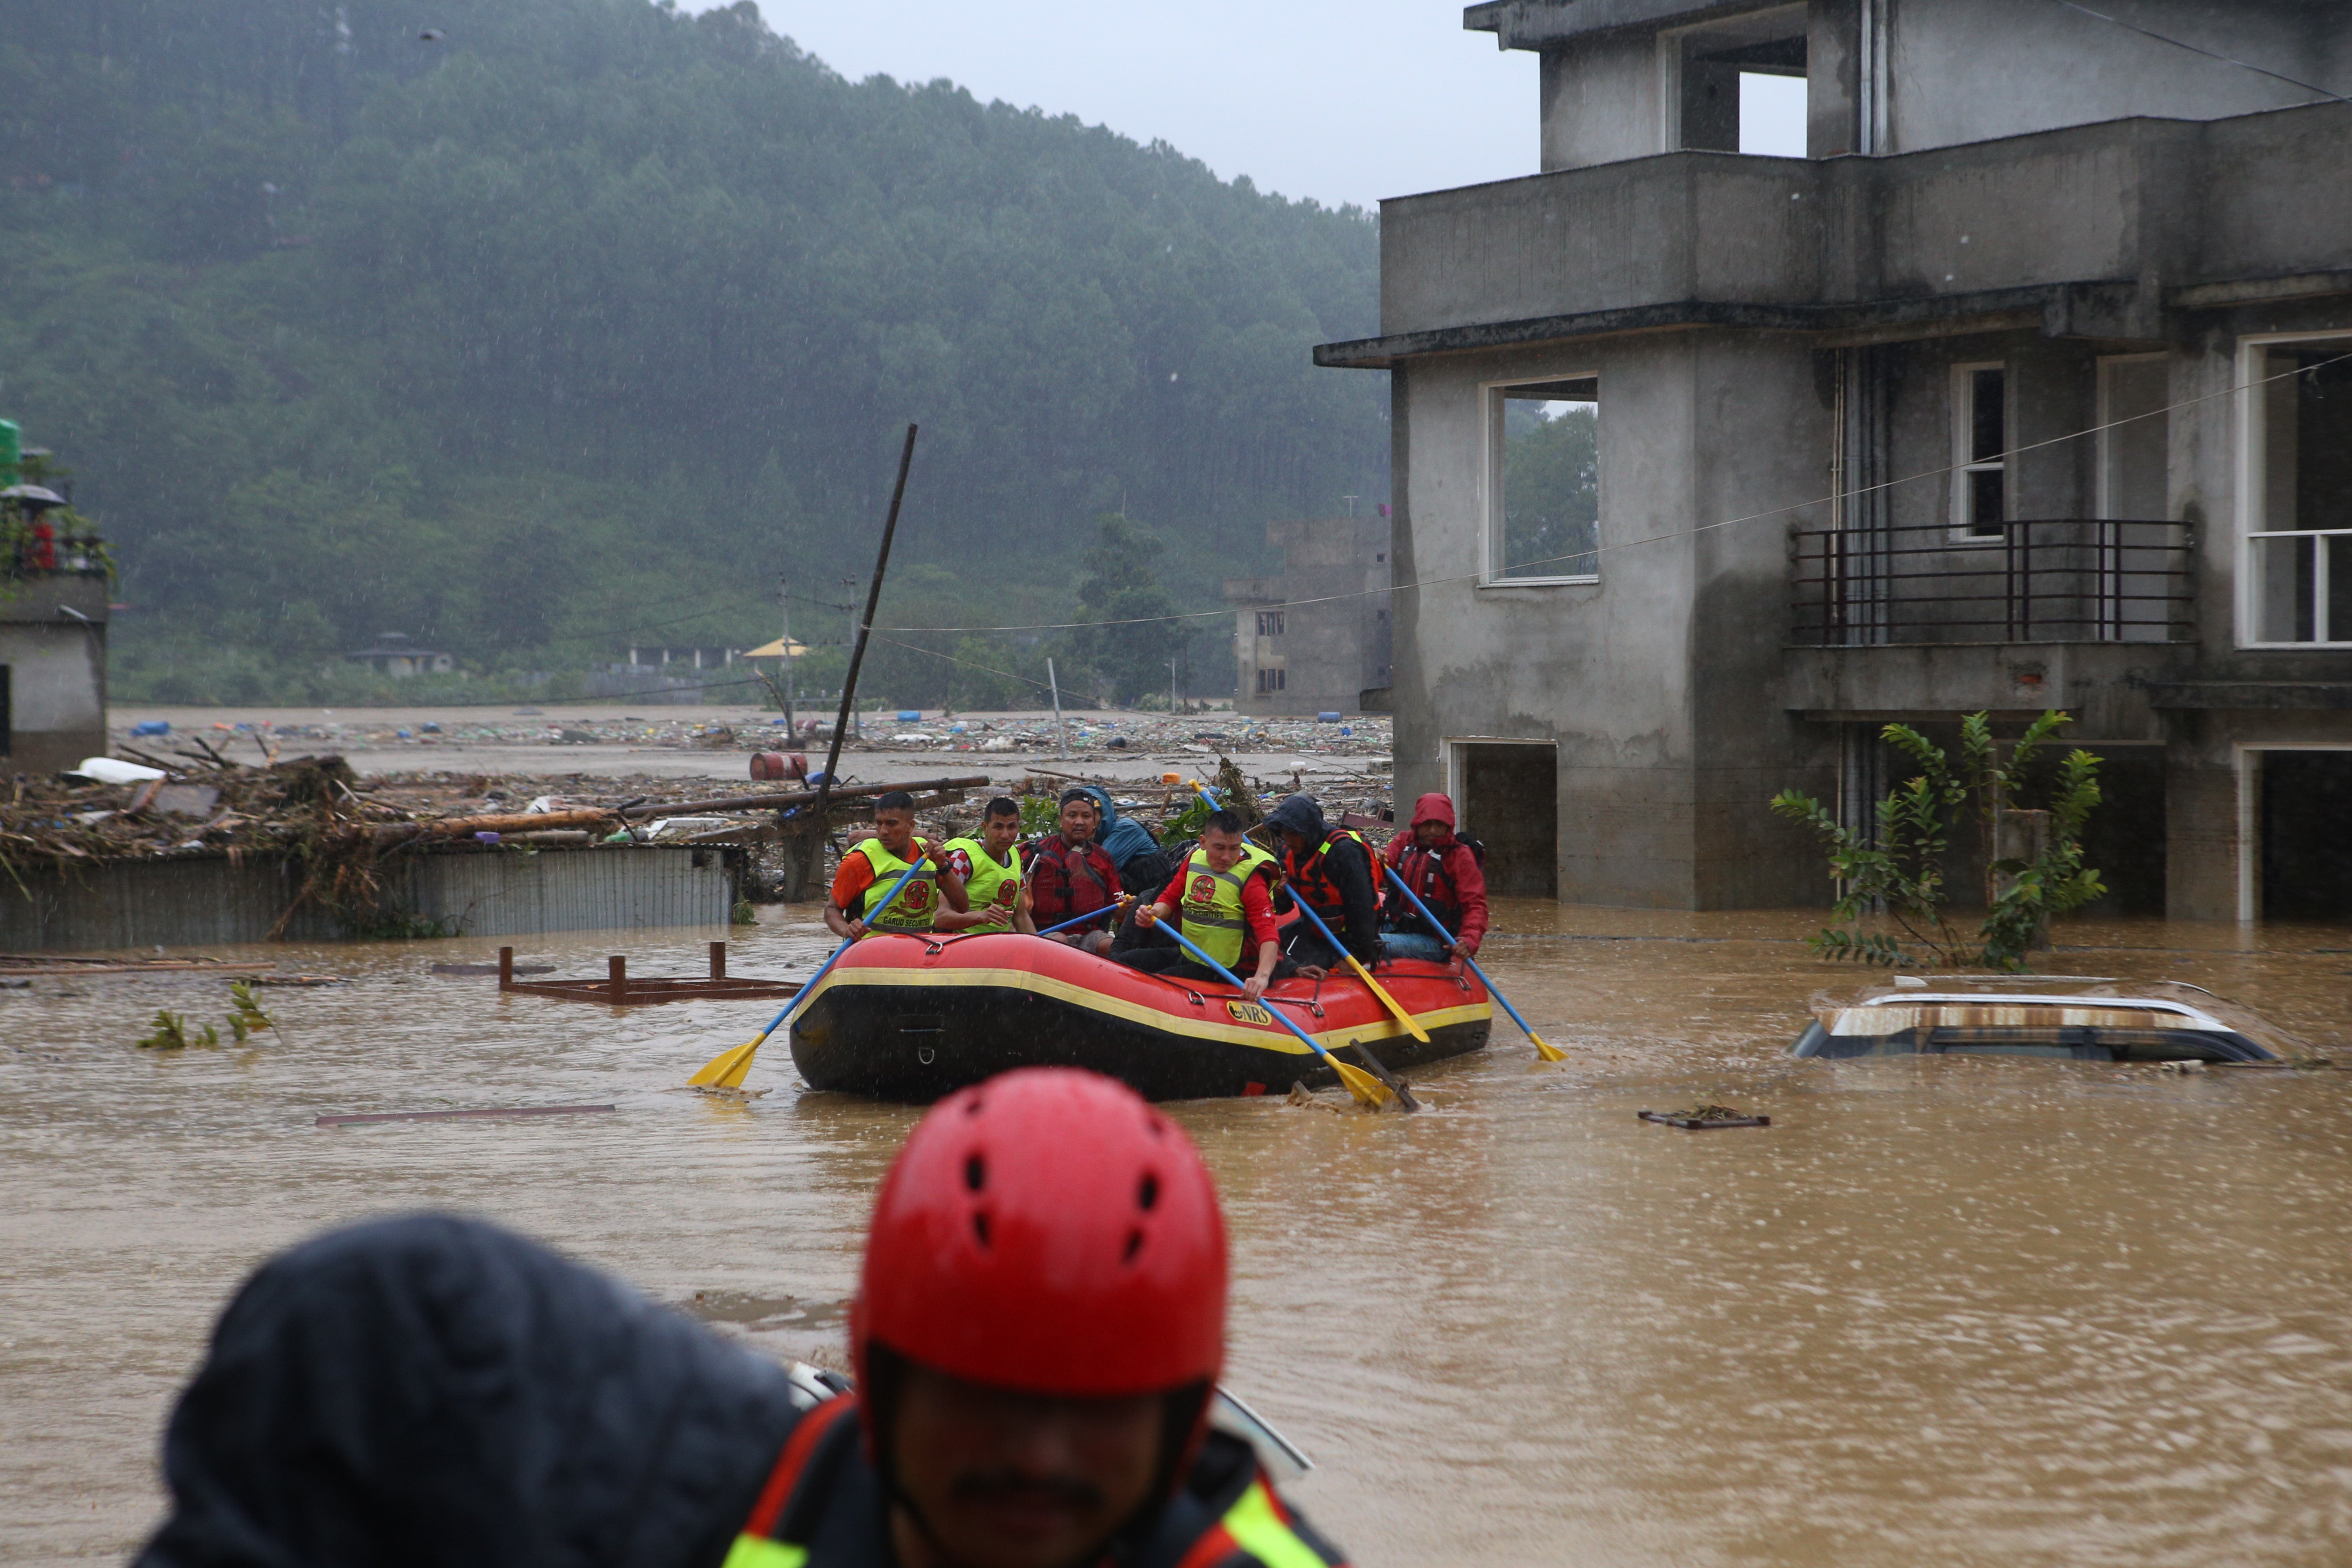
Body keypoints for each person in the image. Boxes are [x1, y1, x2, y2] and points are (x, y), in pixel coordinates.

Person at [134, 1068, 1350, 1568]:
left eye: (1088, 1415)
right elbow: (383, 1317)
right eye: (982, 1396)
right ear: (878, 1372)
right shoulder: (710, 1488)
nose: (1034, 1457)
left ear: (1188, 1419)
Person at [1120, 811, 1288, 1003]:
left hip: (1232, 968)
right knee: (1127, 961)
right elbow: (1170, 898)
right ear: (1203, 842)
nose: (1226, 857)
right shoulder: (1194, 860)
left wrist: (1262, 977)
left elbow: (1267, 932)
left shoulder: (1252, 880)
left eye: (1234, 848)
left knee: (1160, 981)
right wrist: (1154, 913)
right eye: (1219, 848)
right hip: (1194, 954)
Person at [825, 790, 967, 943]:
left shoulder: (929, 855)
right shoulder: (859, 860)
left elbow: (962, 907)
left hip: (920, 949)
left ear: (911, 826)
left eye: (892, 824)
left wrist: (943, 865)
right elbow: (832, 909)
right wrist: (846, 930)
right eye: (879, 823)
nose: (883, 831)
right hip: (870, 951)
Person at [1263, 795, 1381, 977]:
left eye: (1293, 834)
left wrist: (1354, 957)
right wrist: (1279, 893)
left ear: (1308, 832)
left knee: (1279, 969)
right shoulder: (1287, 852)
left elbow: (1362, 911)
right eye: (1284, 833)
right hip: (1312, 931)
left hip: (1344, 941)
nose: (1287, 840)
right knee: (1261, 952)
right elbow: (1284, 908)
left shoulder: (1343, 852)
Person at [1382, 792, 1490, 964]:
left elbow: (1475, 905)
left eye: (1439, 825)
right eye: (1427, 824)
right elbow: (1381, 868)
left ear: (1448, 826)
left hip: (1436, 941)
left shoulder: (1459, 856)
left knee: (1368, 944)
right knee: (1350, 938)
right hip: (1397, 926)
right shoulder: (1403, 842)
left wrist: (1469, 940)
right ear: (1417, 824)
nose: (1433, 831)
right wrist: (1377, 861)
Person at [1024, 787, 1122, 954]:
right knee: (1060, 942)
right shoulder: (1034, 853)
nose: (1079, 822)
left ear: (1094, 822)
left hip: (1090, 935)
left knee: (1112, 946)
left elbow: (1118, 910)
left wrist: (1128, 907)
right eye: (1072, 816)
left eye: (1086, 817)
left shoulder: (1103, 858)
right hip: (1046, 934)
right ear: (1061, 820)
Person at [933, 797, 1034, 935]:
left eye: (1011, 827)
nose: (1005, 835)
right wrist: (981, 917)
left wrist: (1037, 949)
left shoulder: (1015, 854)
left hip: (1000, 943)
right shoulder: (964, 858)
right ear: (985, 828)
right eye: (998, 827)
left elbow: (1021, 917)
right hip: (964, 943)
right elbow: (939, 918)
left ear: (1018, 828)